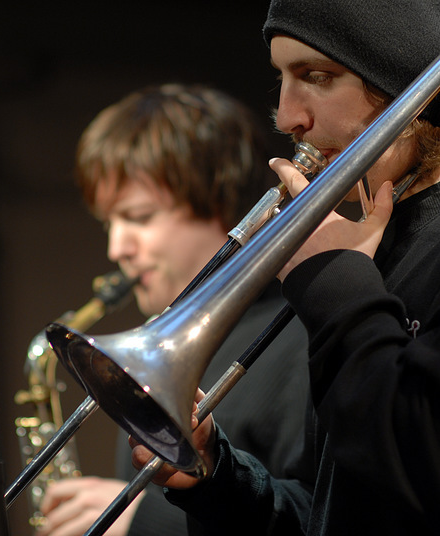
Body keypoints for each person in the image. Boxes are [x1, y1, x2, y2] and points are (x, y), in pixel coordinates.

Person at [130, 1, 440, 534]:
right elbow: (342, 511)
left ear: (409, 77)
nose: (287, 118)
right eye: (282, 79)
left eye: (318, 76)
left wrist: (335, 289)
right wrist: (217, 478)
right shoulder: (374, 242)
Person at [37, 83, 311, 536]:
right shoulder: (154, 340)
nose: (116, 247)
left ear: (221, 204)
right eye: (110, 223)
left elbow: (317, 519)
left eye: (140, 217)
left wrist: (140, 522)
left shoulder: (299, 336)